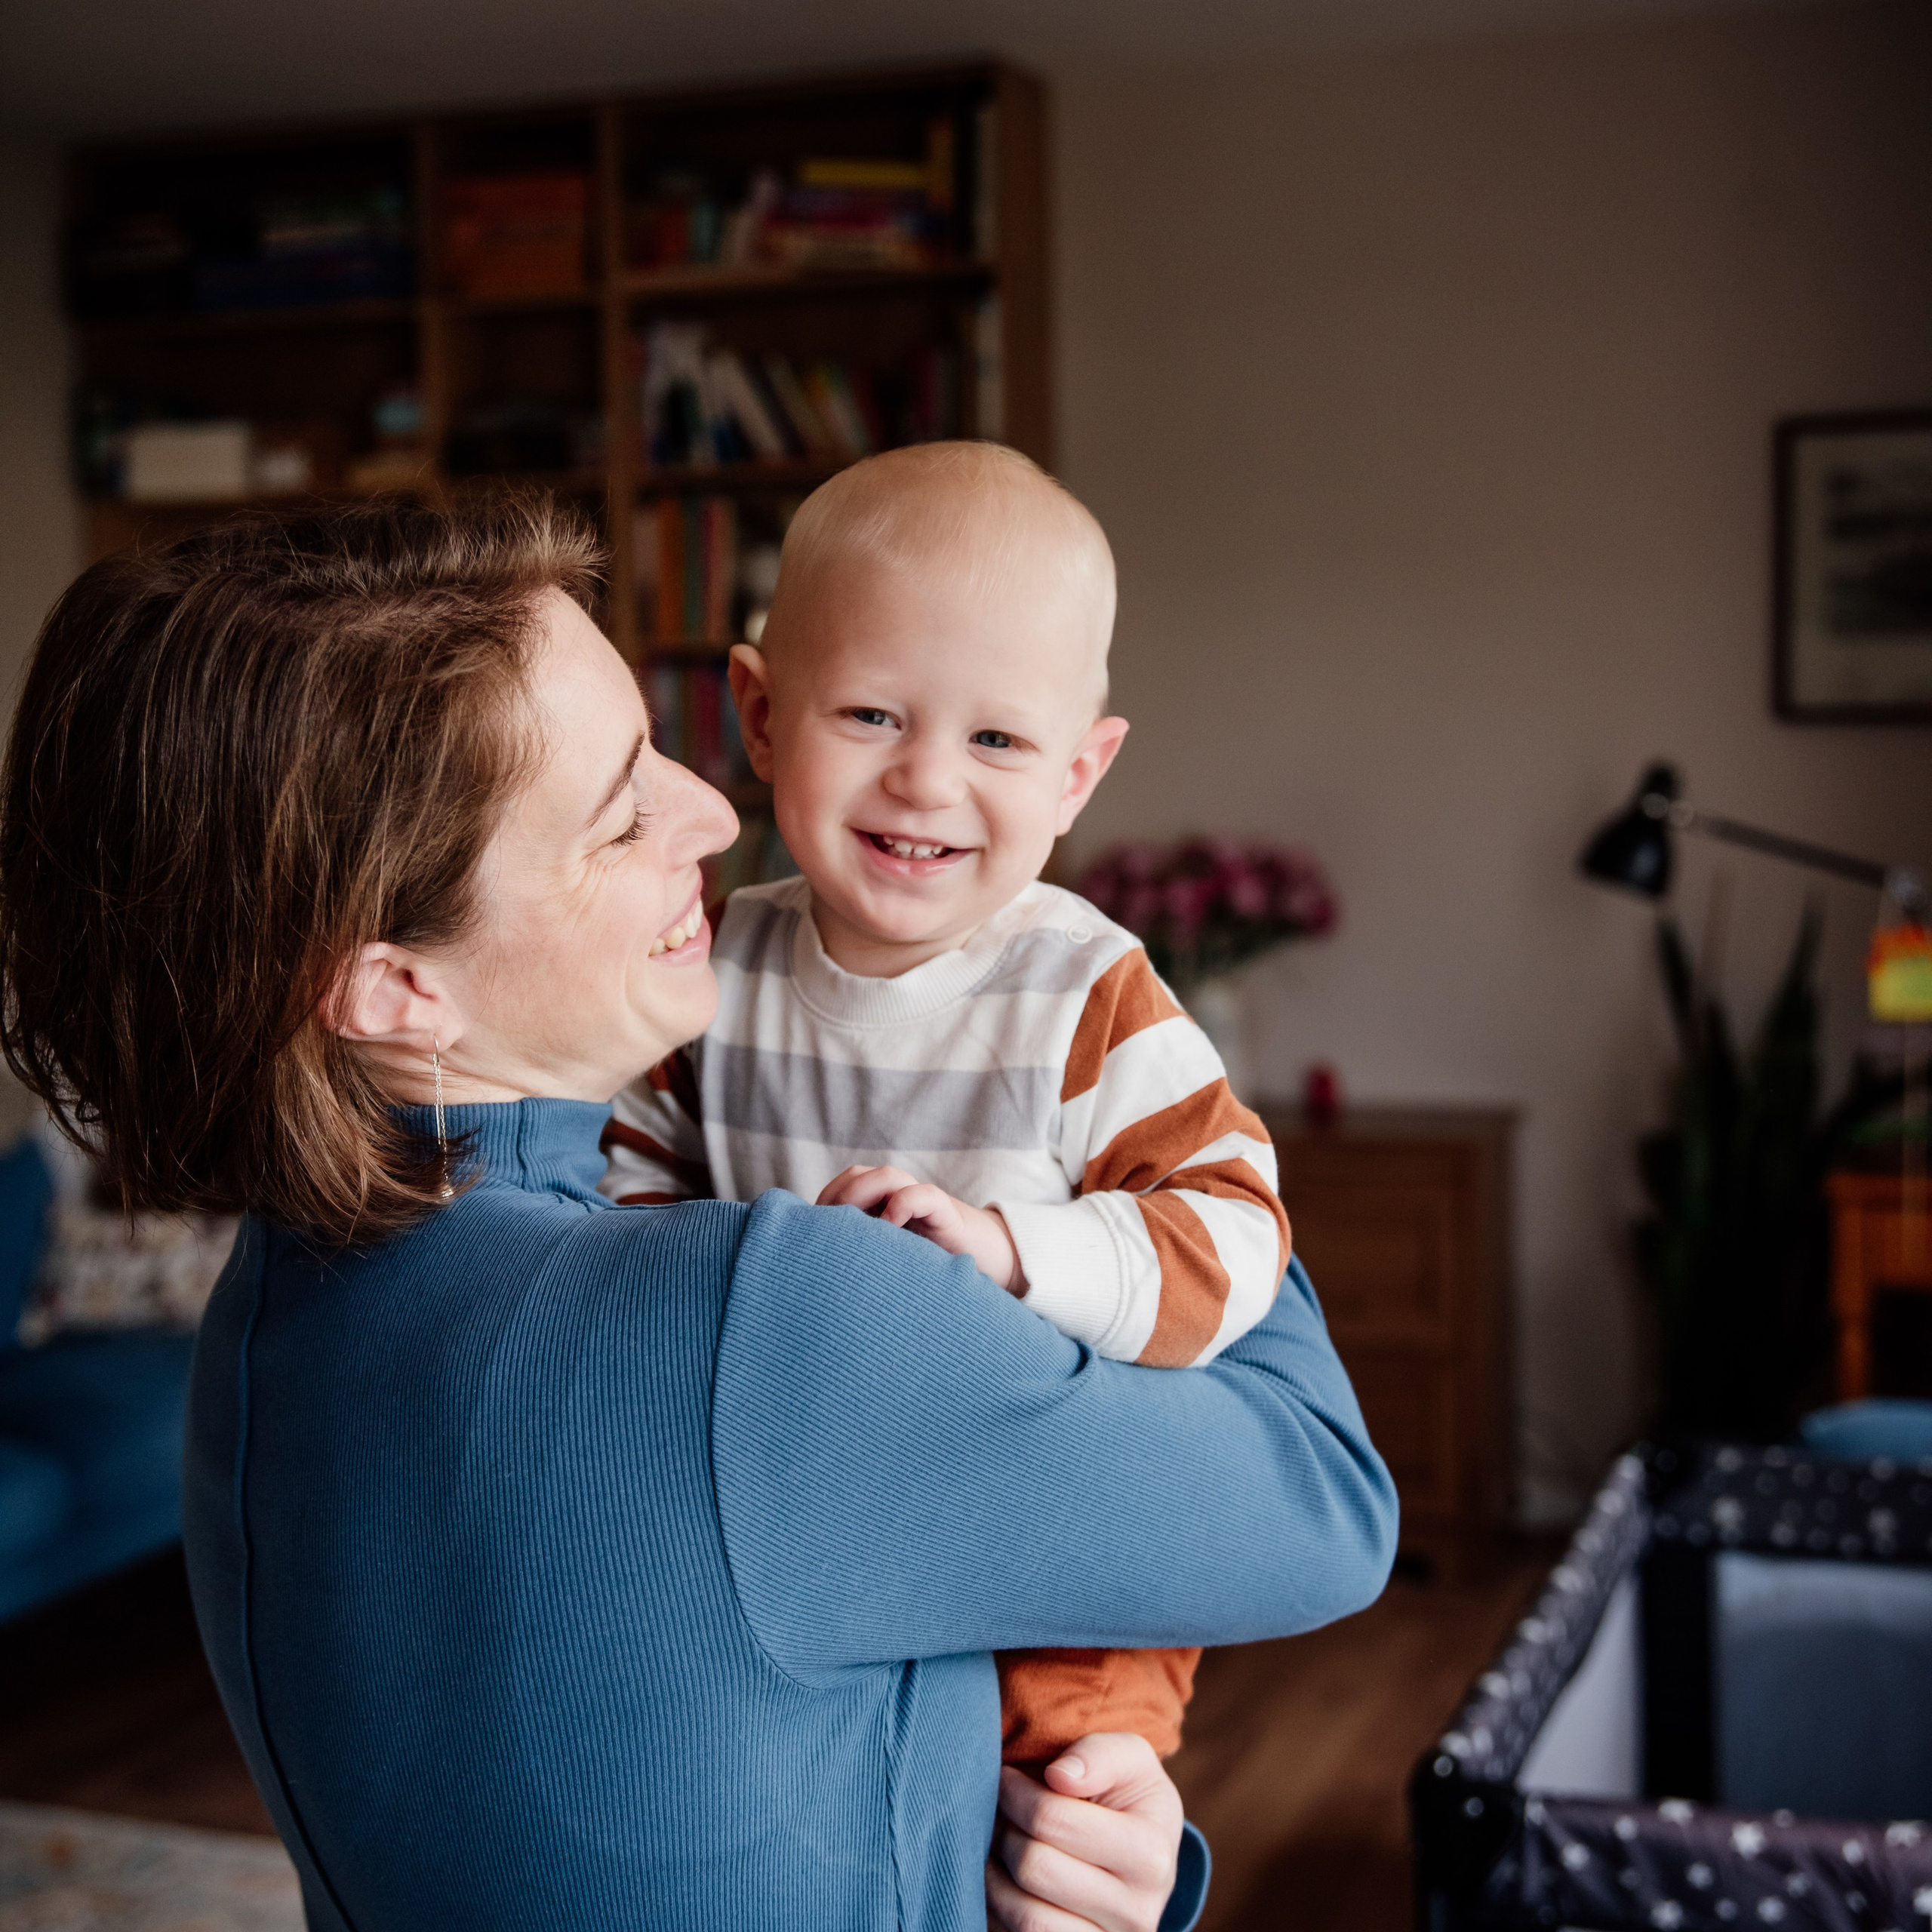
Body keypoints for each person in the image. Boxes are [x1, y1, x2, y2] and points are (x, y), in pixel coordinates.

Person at [0, 495, 1396, 1932]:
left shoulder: (259, 1329)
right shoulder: (766, 1321)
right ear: (392, 984)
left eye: (662, 749)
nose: (718, 814)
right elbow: (1327, 1508)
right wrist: (1125, 1101)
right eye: (619, 813)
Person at [604, 443, 1292, 1776]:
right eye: (871, 716)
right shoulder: (716, 963)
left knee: (1064, 1783)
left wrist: (1014, 1250)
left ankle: (1094, 1841)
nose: (927, 780)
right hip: (820, 1496)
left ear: (1077, 777)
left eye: (996, 739)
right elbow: (636, 1168)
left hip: (1056, 1513)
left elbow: (1236, 1232)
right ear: (757, 713)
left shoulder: (1086, 991)